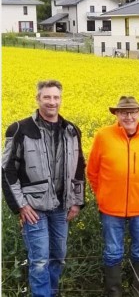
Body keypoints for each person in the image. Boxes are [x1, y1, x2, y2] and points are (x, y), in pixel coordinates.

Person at [2, 80, 86, 297]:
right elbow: (6, 170)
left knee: (58, 256)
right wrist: (20, 206)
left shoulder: (71, 130)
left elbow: (79, 167)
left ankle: (52, 293)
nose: (52, 102)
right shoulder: (20, 129)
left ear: (60, 99)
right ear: (38, 99)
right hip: (34, 207)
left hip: (61, 206)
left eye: (56, 97)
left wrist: (77, 201)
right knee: (39, 259)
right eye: (47, 97)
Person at [86, 96, 139, 297]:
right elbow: (92, 171)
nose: (129, 116)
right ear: (116, 114)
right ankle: (113, 293)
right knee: (112, 252)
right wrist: (102, 194)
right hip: (111, 208)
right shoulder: (103, 136)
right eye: (124, 112)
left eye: (133, 111)